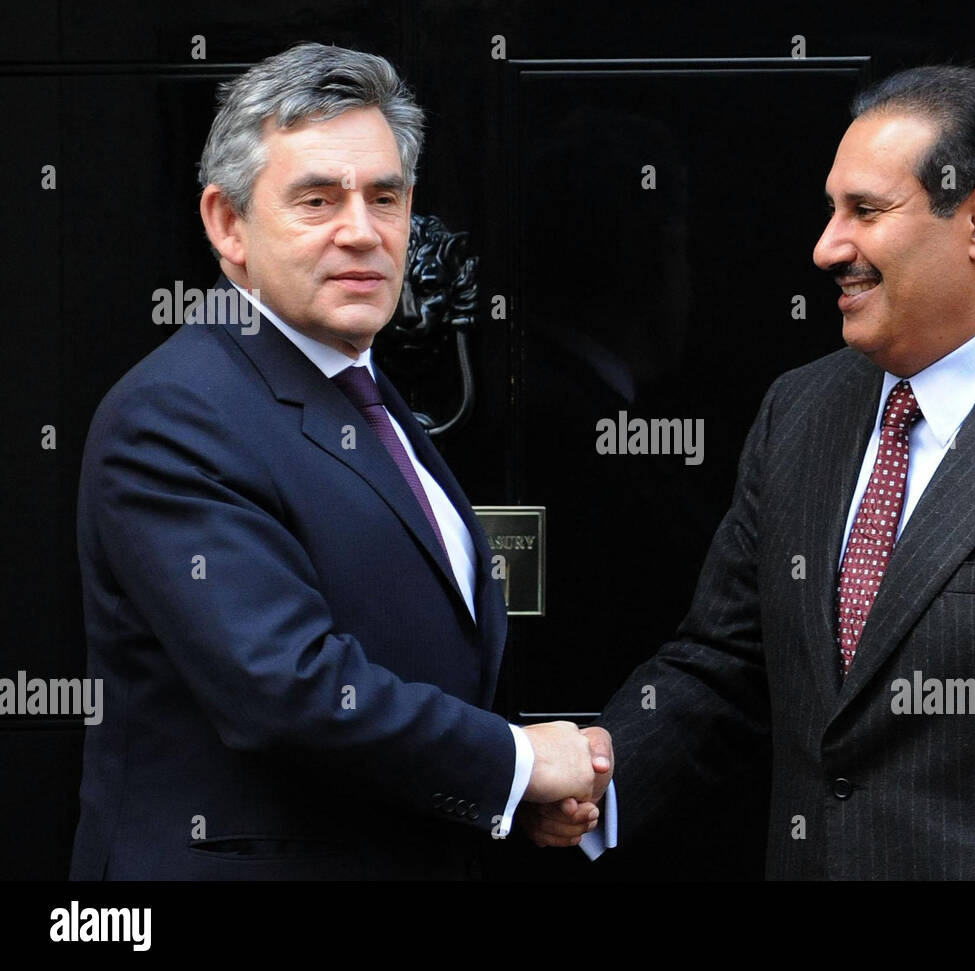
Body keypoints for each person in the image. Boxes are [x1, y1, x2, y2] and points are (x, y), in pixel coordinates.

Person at [521, 65, 975, 879]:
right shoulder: (799, 411)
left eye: (866, 211)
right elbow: (725, 664)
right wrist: (595, 770)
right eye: (831, 209)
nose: (826, 246)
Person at [71, 42, 605, 879]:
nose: (361, 231)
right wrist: (518, 763)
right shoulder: (174, 415)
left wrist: (507, 793)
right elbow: (288, 690)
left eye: (384, 197)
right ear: (226, 223)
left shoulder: (359, 384)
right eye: (317, 199)